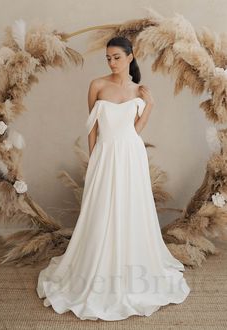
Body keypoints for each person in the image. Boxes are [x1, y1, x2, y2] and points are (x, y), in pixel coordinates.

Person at [36, 36, 190, 321]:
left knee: (130, 208)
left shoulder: (139, 91)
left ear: (130, 57)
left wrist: (151, 105)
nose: (111, 62)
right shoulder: (97, 85)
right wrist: (94, 159)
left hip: (131, 155)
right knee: (102, 209)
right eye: (108, 57)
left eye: (117, 57)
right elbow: (93, 129)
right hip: (105, 155)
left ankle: (130, 267)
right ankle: (99, 265)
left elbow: (135, 130)